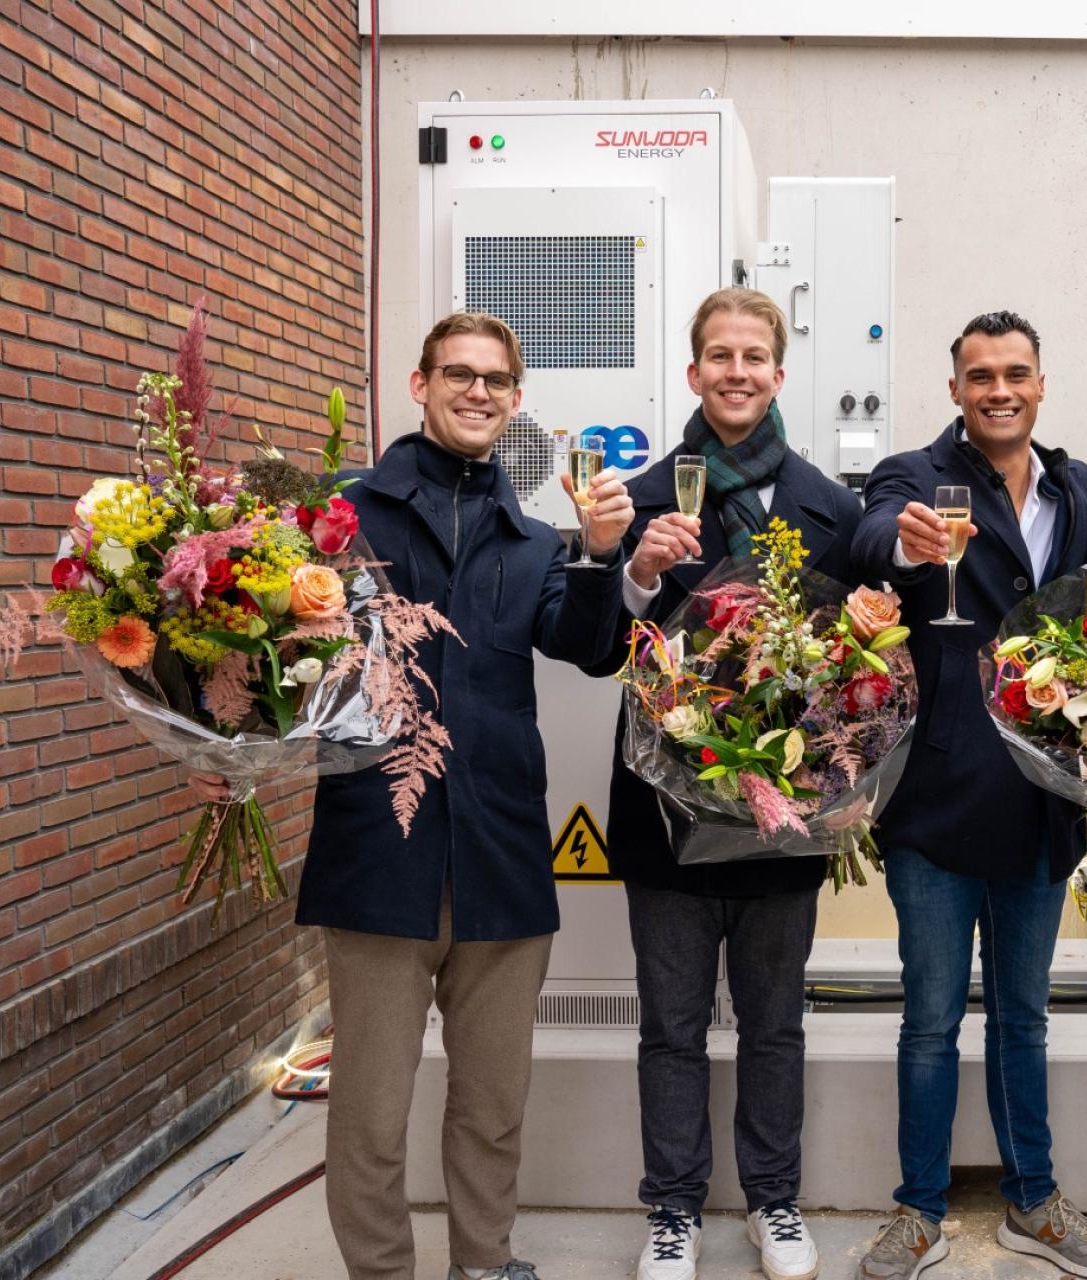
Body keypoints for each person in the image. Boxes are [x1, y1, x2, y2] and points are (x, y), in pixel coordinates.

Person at [189, 311, 633, 1280]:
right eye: (459, 374)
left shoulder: (533, 536)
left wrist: (602, 557)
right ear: (419, 382)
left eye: (497, 380)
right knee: (372, 1112)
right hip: (378, 850)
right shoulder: (344, 512)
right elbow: (261, 637)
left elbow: (590, 650)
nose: (479, 392)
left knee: (492, 1101)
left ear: (518, 401)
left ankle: (484, 1261)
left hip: (504, 851)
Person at [845, 311, 1087, 1280]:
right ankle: (917, 1211)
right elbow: (871, 535)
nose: (998, 388)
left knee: (1023, 1015)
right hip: (936, 797)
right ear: (955, 388)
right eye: (979, 375)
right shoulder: (916, 476)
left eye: (1015, 372)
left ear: (1041, 382)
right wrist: (910, 546)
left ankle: (1032, 1200)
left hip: (1044, 797)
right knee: (928, 1018)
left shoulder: (1079, 487)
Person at [591, 287, 862, 1280]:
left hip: (785, 811)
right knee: (669, 1022)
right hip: (666, 811)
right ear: (695, 370)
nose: (738, 371)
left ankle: (774, 1200)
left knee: (774, 1022)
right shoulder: (642, 498)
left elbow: (858, 647)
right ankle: (671, 1208)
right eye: (720, 355)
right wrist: (632, 576)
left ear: (779, 374)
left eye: (756, 355)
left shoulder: (832, 507)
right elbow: (595, 644)